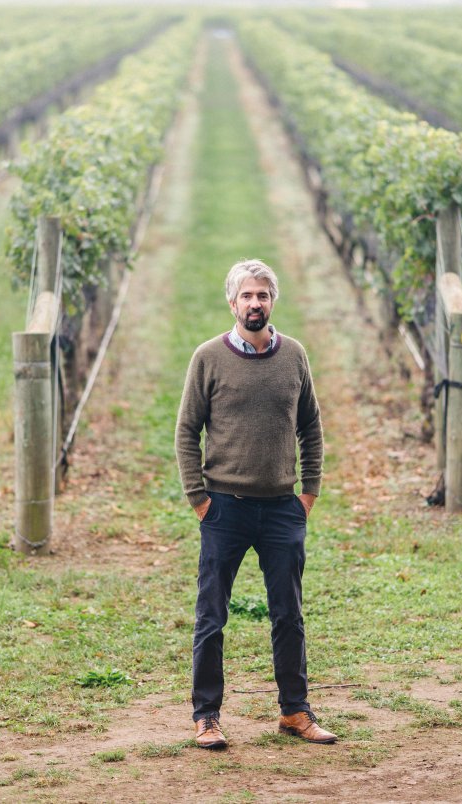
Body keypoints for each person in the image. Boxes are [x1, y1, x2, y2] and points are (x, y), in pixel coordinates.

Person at [175, 258, 337, 749]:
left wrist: (308, 493)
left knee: (288, 614)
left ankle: (294, 711)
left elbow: (310, 427)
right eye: (247, 295)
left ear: (273, 302)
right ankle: (206, 717)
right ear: (232, 302)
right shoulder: (208, 357)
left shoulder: (294, 356)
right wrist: (199, 500)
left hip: (282, 508)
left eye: (263, 295)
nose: (255, 303)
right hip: (224, 508)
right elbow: (187, 431)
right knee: (211, 616)